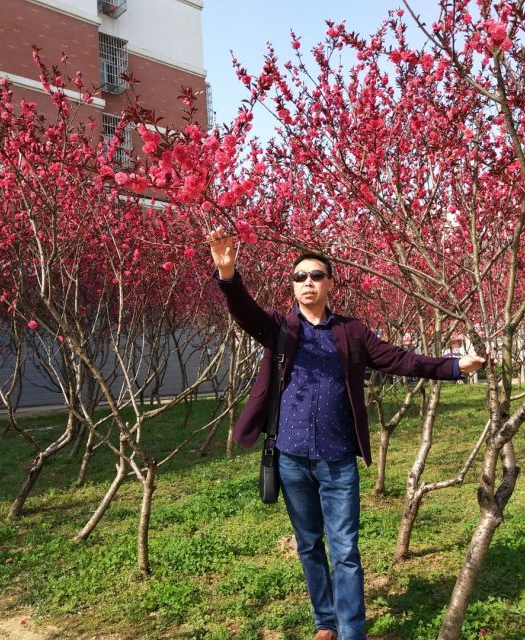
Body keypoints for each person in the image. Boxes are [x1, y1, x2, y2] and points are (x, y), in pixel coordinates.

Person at [207, 227, 485, 640]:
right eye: (299, 277)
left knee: (345, 551)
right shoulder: (281, 328)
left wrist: (453, 366)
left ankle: (352, 631)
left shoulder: (352, 332)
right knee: (308, 545)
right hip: (291, 458)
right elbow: (245, 312)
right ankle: (326, 622)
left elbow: (399, 360)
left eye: (316, 275)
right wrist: (228, 274)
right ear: (293, 286)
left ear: (330, 283)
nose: (307, 282)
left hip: (338, 461)